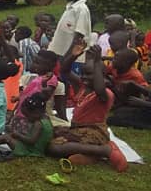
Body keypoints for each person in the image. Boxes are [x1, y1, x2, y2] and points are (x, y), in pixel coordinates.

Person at [47, 44, 127, 172]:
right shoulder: (83, 87)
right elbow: (65, 71)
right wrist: (73, 56)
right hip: (78, 130)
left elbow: (99, 88)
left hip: (94, 133)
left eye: (89, 74)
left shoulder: (105, 94)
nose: (84, 77)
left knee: (54, 148)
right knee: (50, 136)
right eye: (82, 73)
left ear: (101, 75)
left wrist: (97, 61)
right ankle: (90, 156)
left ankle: (105, 150)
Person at [0, 93, 53, 158]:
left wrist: (18, 135)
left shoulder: (38, 124)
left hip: (30, 151)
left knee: (6, 137)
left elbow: (31, 141)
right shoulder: (47, 119)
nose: (27, 119)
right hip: (36, 149)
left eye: (28, 116)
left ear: (36, 112)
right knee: (10, 135)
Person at [48, 0, 92, 70]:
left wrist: (67, 58)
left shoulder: (81, 9)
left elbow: (79, 37)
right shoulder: (70, 8)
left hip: (72, 60)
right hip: (60, 56)